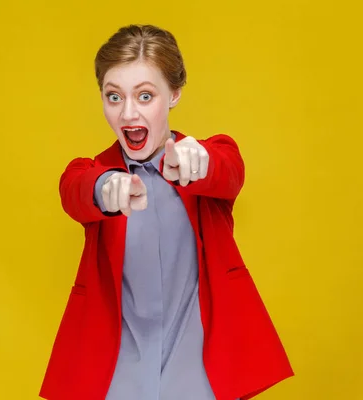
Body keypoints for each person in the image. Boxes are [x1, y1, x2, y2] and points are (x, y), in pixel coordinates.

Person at [39, 24, 293, 400]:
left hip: (200, 369)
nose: (128, 113)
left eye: (145, 96)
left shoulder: (207, 159)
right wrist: (104, 189)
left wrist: (200, 161)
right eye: (114, 96)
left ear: (173, 94)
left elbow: (229, 170)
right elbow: (74, 190)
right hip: (117, 369)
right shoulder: (90, 173)